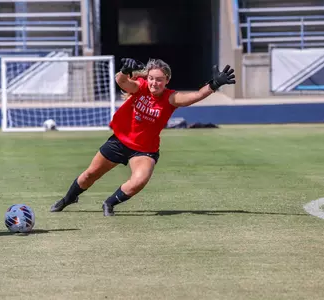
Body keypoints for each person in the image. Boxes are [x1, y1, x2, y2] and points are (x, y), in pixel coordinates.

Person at [50, 58, 235, 216]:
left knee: (138, 181)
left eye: (160, 80)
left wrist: (214, 84)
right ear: (148, 78)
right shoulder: (141, 87)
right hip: (119, 142)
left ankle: (109, 203)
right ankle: (68, 199)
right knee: (89, 175)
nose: (155, 83)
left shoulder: (171, 98)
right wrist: (124, 71)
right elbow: (122, 82)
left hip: (144, 150)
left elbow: (195, 96)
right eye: (152, 79)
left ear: (167, 80)